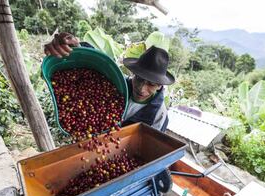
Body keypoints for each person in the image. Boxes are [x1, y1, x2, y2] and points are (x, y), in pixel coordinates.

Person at [44, 32, 175, 132]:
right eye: (139, 79)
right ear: (133, 74)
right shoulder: (117, 84)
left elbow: (150, 150)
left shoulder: (159, 115)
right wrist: (75, 46)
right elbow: (99, 63)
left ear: (159, 86)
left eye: (151, 84)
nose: (141, 89)